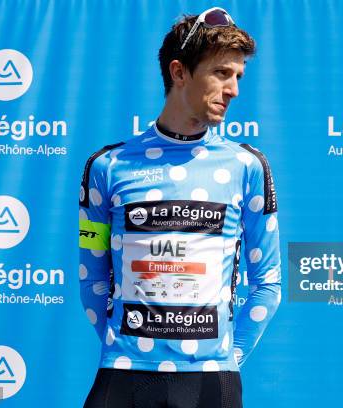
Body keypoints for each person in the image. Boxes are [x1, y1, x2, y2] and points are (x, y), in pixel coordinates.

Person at [79, 7, 281, 407]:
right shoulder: (107, 166)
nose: (234, 89)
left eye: (238, 76)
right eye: (222, 73)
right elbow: (92, 278)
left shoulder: (247, 166)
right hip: (123, 378)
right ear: (179, 72)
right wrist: (129, 351)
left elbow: (268, 283)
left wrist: (228, 358)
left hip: (211, 383)